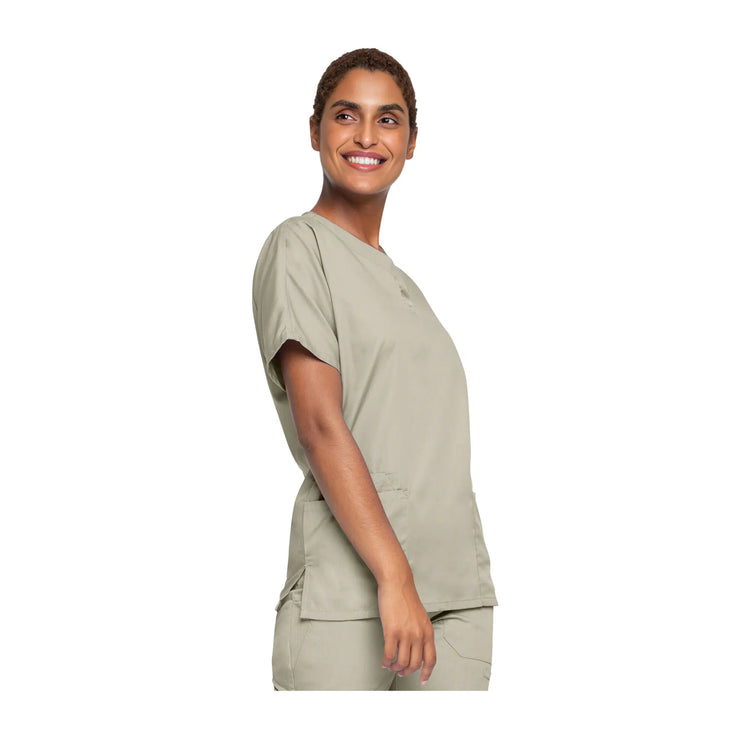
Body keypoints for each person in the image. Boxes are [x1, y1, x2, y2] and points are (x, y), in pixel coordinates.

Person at [252, 48, 498, 691]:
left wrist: (435, 583)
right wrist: (396, 576)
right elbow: (320, 425)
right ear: (315, 131)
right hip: (355, 596)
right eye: (345, 116)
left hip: (456, 597)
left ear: (411, 142)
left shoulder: (405, 284)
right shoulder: (299, 246)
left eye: (387, 119)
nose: (366, 136)